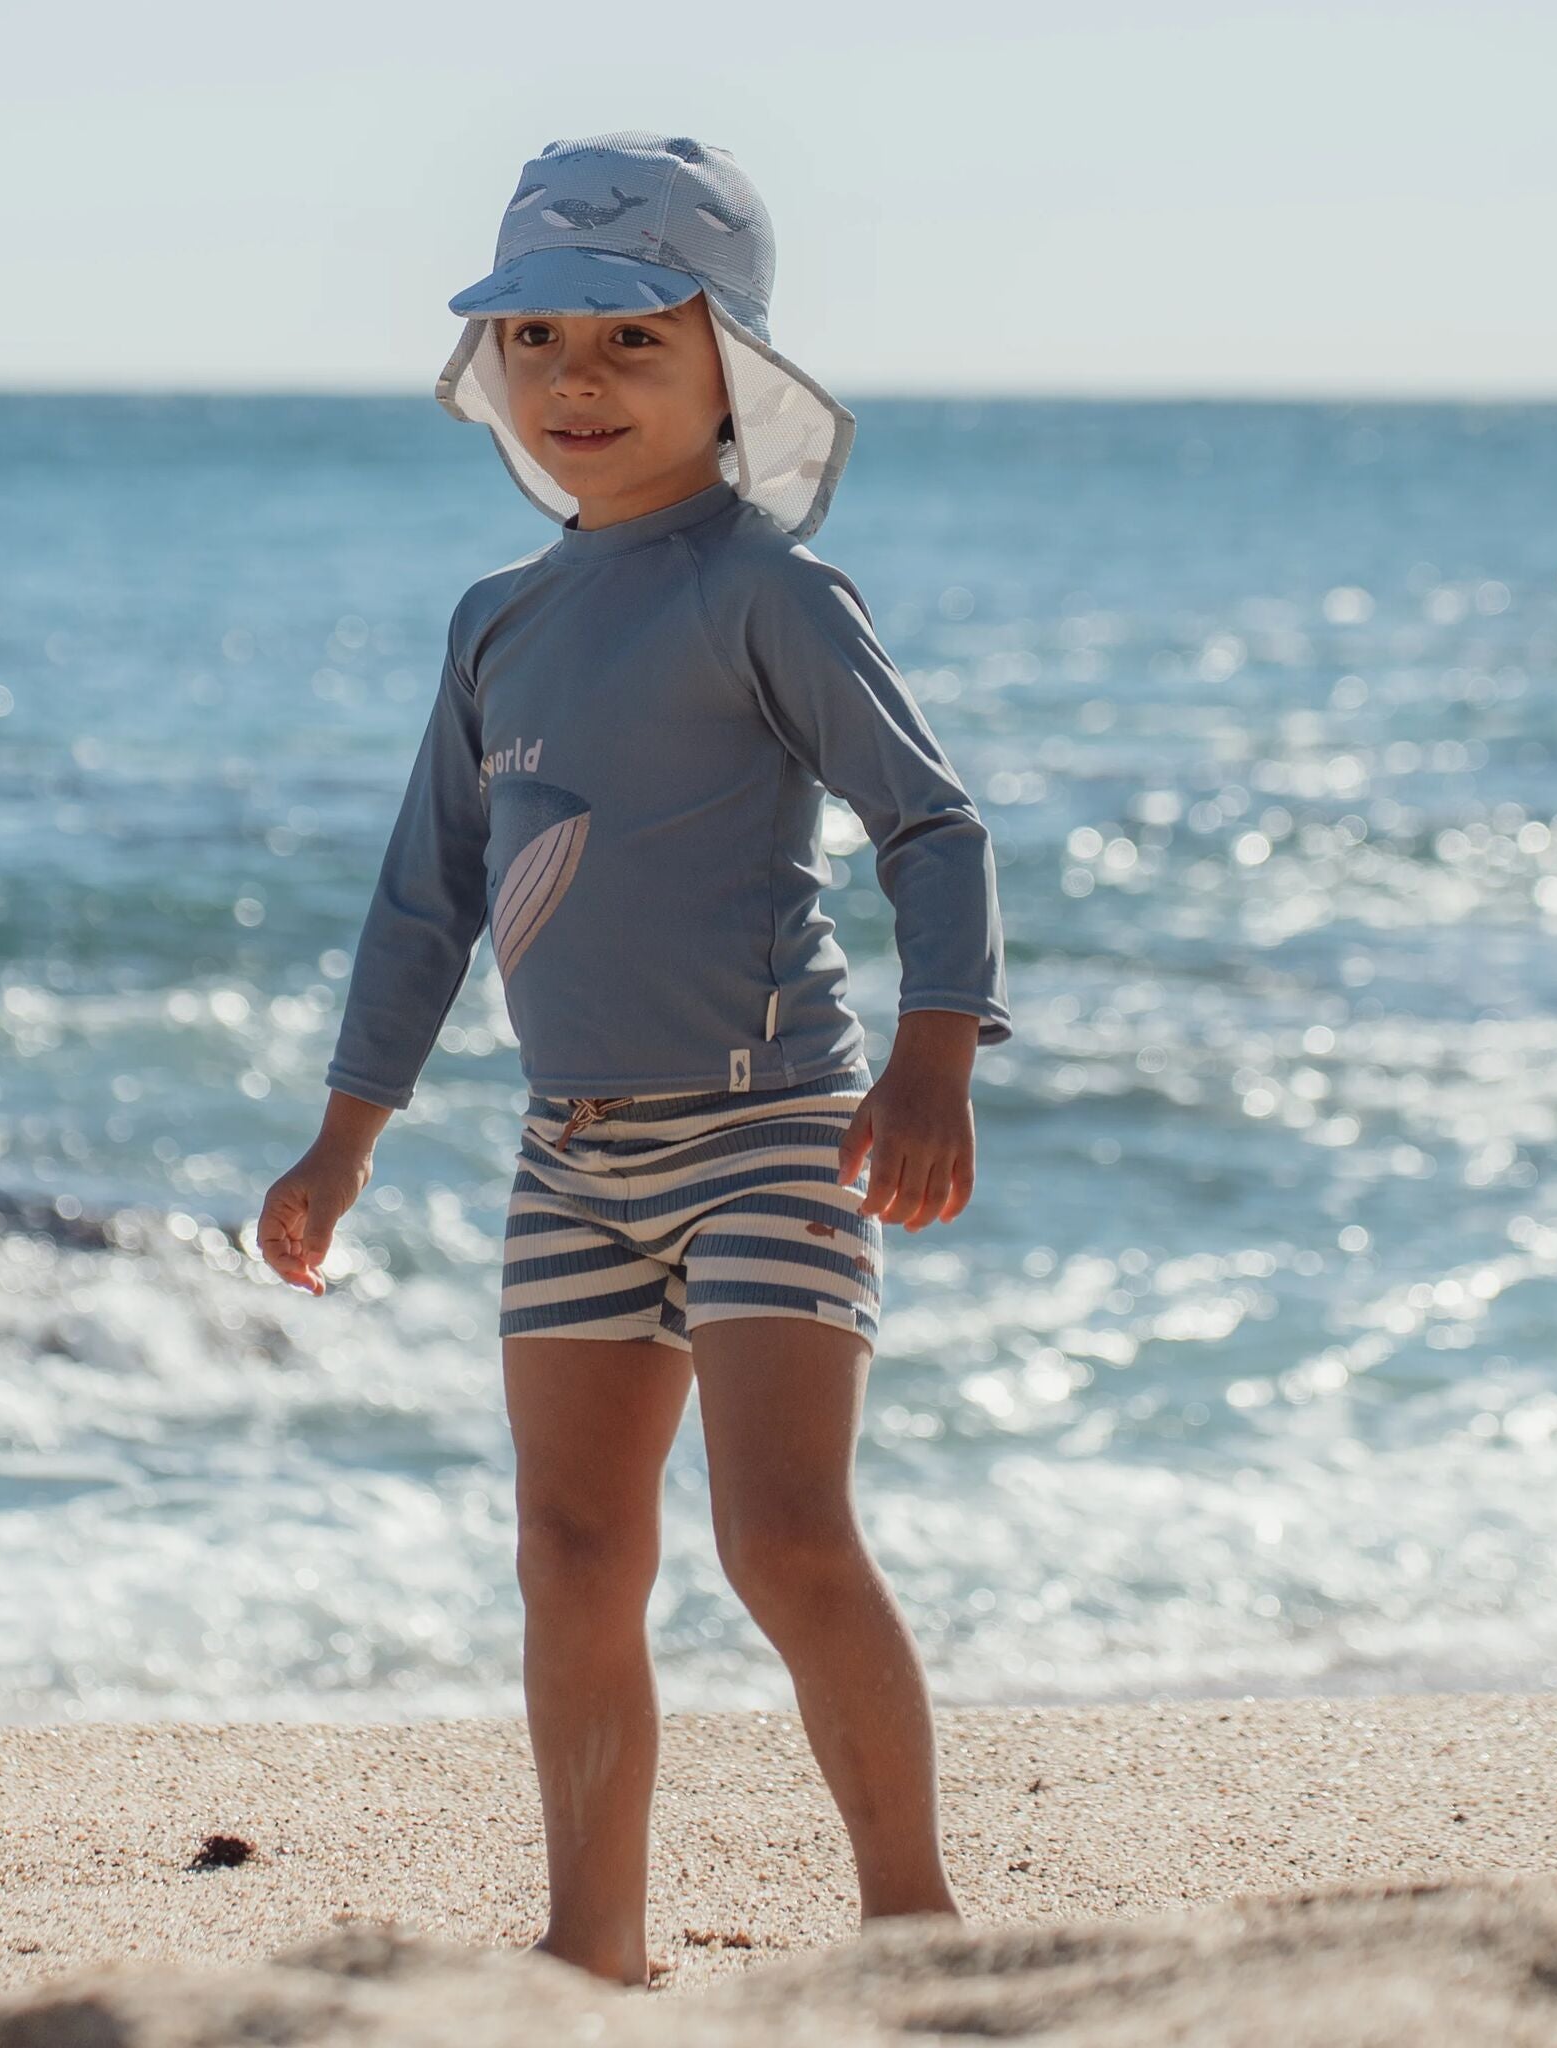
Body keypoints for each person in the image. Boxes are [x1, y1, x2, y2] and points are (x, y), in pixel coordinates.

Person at [255, 130, 1012, 1990]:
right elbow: (426, 901)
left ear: (726, 368)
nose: (571, 385)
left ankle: (912, 1926)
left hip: (770, 1128)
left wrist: (934, 1062)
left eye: (625, 344)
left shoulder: (765, 588)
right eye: (534, 344)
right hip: (568, 1154)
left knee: (779, 1538)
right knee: (571, 1549)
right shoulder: (494, 622)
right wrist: (342, 1145)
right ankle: (592, 1949)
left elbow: (933, 827)